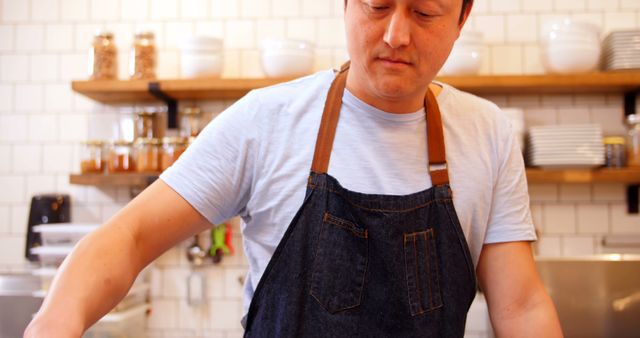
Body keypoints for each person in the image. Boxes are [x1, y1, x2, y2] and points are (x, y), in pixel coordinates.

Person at [25, 0, 563, 337]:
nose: (397, 33)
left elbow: (519, 304)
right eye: (377, 6)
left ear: (462, 17)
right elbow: (130, 235)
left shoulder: (488, 133)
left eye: (424, 12)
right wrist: (55, 321)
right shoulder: (266, 120)